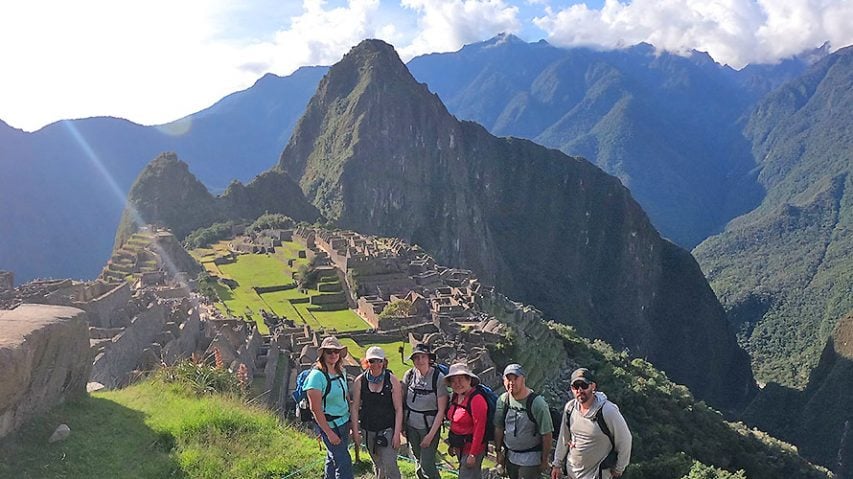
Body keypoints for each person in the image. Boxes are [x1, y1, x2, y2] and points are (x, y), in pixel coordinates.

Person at [551, 368, 632, 479]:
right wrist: (557, 464)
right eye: (575, 386)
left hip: (596, 475)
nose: (579, 390)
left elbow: (625, 440)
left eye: (584, 385)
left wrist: (619, 468)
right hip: (571, 474)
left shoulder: (608, 411)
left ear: (593, 386)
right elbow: (564, 438)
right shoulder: (570, 408)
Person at [351, 346, 404, 479]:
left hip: (387, 429)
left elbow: (398, 409)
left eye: (379, 361)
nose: (376, 364)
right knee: (377, 462)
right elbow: (355, 407)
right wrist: (356, 431)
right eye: (372, 361)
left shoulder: (391, 380)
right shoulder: (360, 381)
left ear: (384, 362)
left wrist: (397, 433)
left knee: (389, 463)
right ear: (367, 362)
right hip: (368, 429)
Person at [305, 336, 354, 479]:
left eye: (336, 351)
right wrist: (328, 432)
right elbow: (315, 408)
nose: (333, 355)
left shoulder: (341, 372)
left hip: (343, 422)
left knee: (333, 458)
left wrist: (350, 419)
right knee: (344, 463)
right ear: (323, 355)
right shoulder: (316, 376)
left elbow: (346, 397)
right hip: (329, 425)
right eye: (329, 352)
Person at [495, 364, 553, 479]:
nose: (511, 382)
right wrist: (498, 451)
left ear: (523, 379)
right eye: (508, 379)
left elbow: (547, 434)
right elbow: (499, 427)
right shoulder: (503, 400)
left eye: (515, 378)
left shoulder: (537, 404)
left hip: (531, 459)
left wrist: (544, 460)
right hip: (510, 456)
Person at [401, 343, 448, 479]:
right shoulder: (409, 375)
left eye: (422, 357)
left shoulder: (438, 378)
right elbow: (403, 402)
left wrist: (430, 435)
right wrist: (403, 426)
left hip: (429, 427)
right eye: (416, 358)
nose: (419, 360)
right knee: (418, 460)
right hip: (411, 426)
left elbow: (441, 410)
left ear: (429, 359)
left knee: (427, 464)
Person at [445, 362, 488, 479]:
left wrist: (473, 454)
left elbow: (480, 429)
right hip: (460, 447)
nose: (457, 384)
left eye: (460, 379)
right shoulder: (455, 397)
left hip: (472, 449)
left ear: (469, 380)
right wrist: (452, 444)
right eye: (453, 380)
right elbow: (454, 422)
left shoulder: (477, 399)